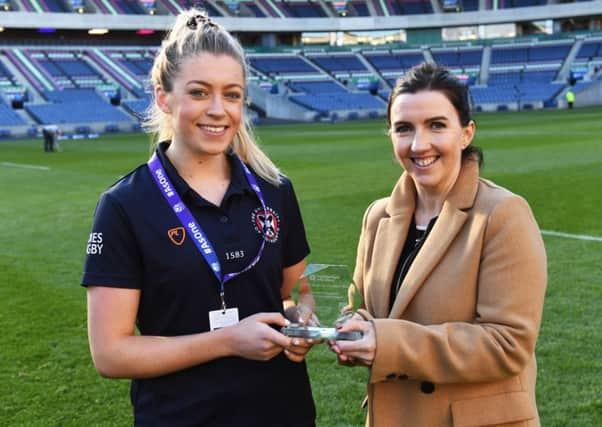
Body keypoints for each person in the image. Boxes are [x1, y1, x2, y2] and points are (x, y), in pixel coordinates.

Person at [81, 9, 317, 426]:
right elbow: (110, 353)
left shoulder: (275, 189)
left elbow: (297, 292)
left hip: (282, 411)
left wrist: (301, 323)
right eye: (199, 92)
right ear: (163, 97)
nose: (218, 109)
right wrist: (228, 341)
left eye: (232, 94)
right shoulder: (124, 206)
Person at [329, 63, 547, 427]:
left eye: (436, 125)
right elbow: (366, 310)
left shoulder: (503, 213)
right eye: (403, 129)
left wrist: (386, 343)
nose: (419, 144)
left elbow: (508, 345)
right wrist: (350, 330)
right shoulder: (377, 215)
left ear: (466, 133)